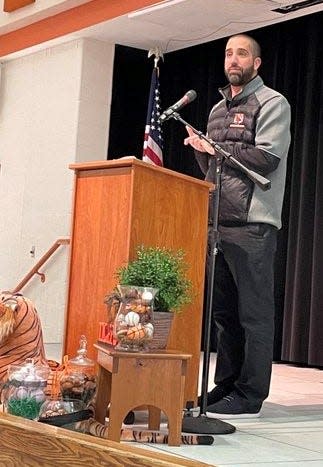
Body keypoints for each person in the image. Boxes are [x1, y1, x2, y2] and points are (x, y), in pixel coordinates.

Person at [184, 34, 291, 419]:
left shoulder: (272, 102)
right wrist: (202, 152)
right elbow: (213, 169)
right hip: (218, 222)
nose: (234, 59)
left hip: (253, 224)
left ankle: (250, 393)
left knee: (254, 315)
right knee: (224, 314)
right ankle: (226, 384)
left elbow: (266, 158)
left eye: (242, 53)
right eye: (229, 53)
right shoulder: (215, 111)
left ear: (256, 63)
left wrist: (217, 150)